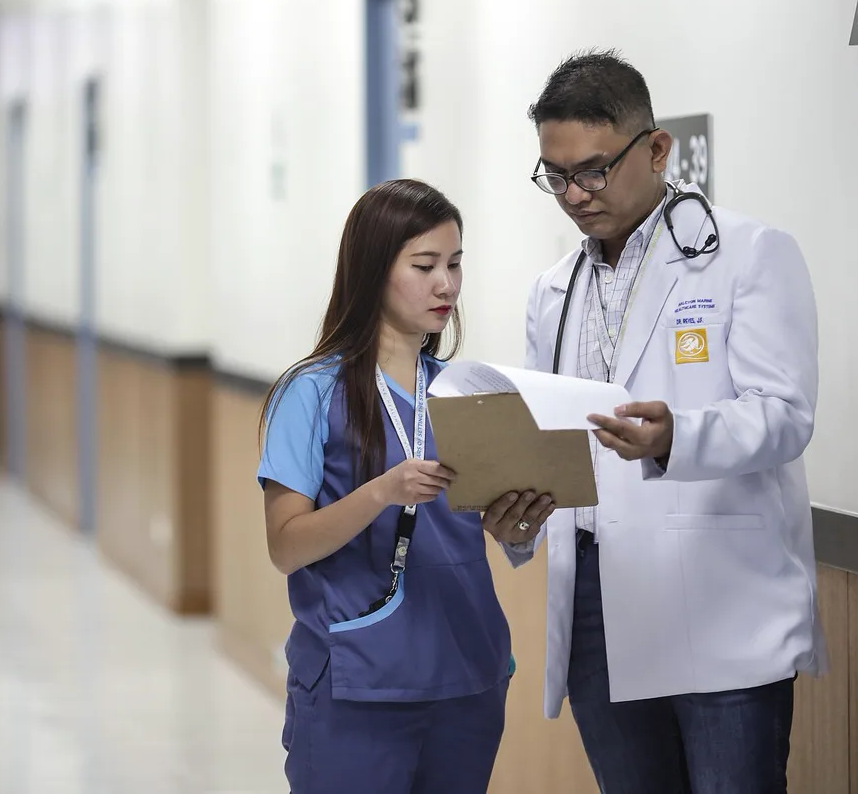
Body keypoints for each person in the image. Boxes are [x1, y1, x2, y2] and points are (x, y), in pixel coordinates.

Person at [507, 49, 828, 793]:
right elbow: (548, 437)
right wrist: (516, 508)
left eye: (592, 170)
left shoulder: (747, 254)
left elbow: (785, 416)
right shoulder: (554, 292)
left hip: (715, 597)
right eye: (554, 176)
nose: (574, 194)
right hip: (594, 601)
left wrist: (677, 437)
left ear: (656, 149)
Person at [257, 178, 555, 794]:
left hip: (467, 678)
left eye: (454, 264)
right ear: (371, 272)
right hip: (356, 685)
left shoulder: (466, 391)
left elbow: (490, 533)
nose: (446, 285)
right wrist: (380, 493)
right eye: (424, 266)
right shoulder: (311, 393)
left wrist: (517, 525)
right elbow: (286, 546)